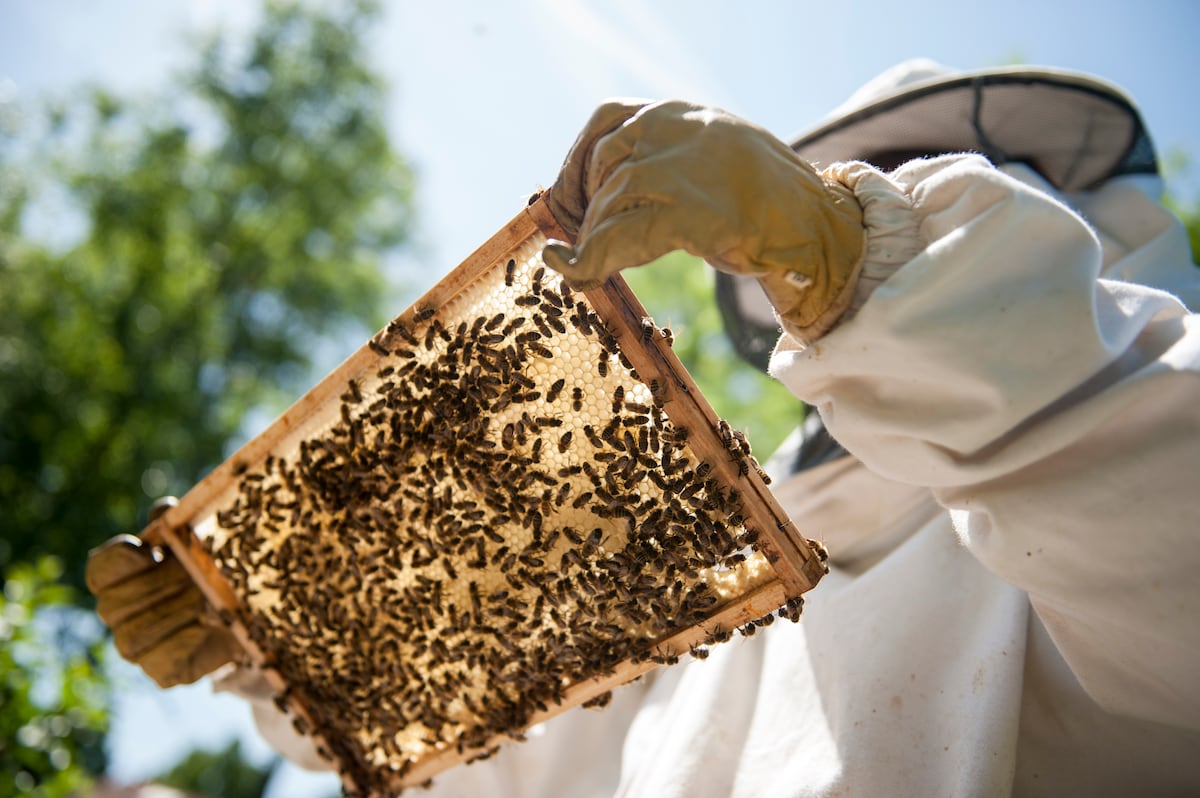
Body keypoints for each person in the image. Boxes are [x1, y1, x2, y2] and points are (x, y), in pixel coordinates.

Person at [88, 60, 1200, 796]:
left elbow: (1147, 491)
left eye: (919, 185)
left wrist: (848, 245)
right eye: (857, 183)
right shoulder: (725, 616)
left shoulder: (1123, 481)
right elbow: (496, 760)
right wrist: (286, 641)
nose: (887, 195)